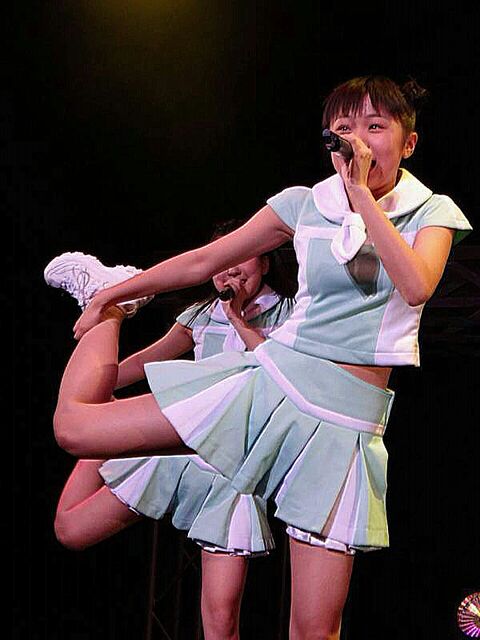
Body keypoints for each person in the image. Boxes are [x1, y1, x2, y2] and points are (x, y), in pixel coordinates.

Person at [48, 75, 472, 639]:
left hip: (347, 425)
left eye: (375, 126)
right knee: (75, 429)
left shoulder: (432, 211)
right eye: (344, 128)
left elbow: (415, 285)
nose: (358, 140)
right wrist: (117, 295)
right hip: (279, 384)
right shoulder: (304, 203)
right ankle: (106, 303)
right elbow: (202, 261)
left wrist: (363, 199)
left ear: (408, 142)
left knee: (315, 630)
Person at [45, 219, 295, 640]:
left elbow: (283, 372)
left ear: (265, 262)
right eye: (223, 261)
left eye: (243, 258)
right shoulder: (200, 315)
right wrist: (92, 389)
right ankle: (110, 305)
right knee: (70, 528)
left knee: (220, 621)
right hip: (180, 443)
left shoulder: (288, 311)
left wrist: (239, 322)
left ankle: (108, 301)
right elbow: (146, 361)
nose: (231, 269)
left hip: (231, 471)